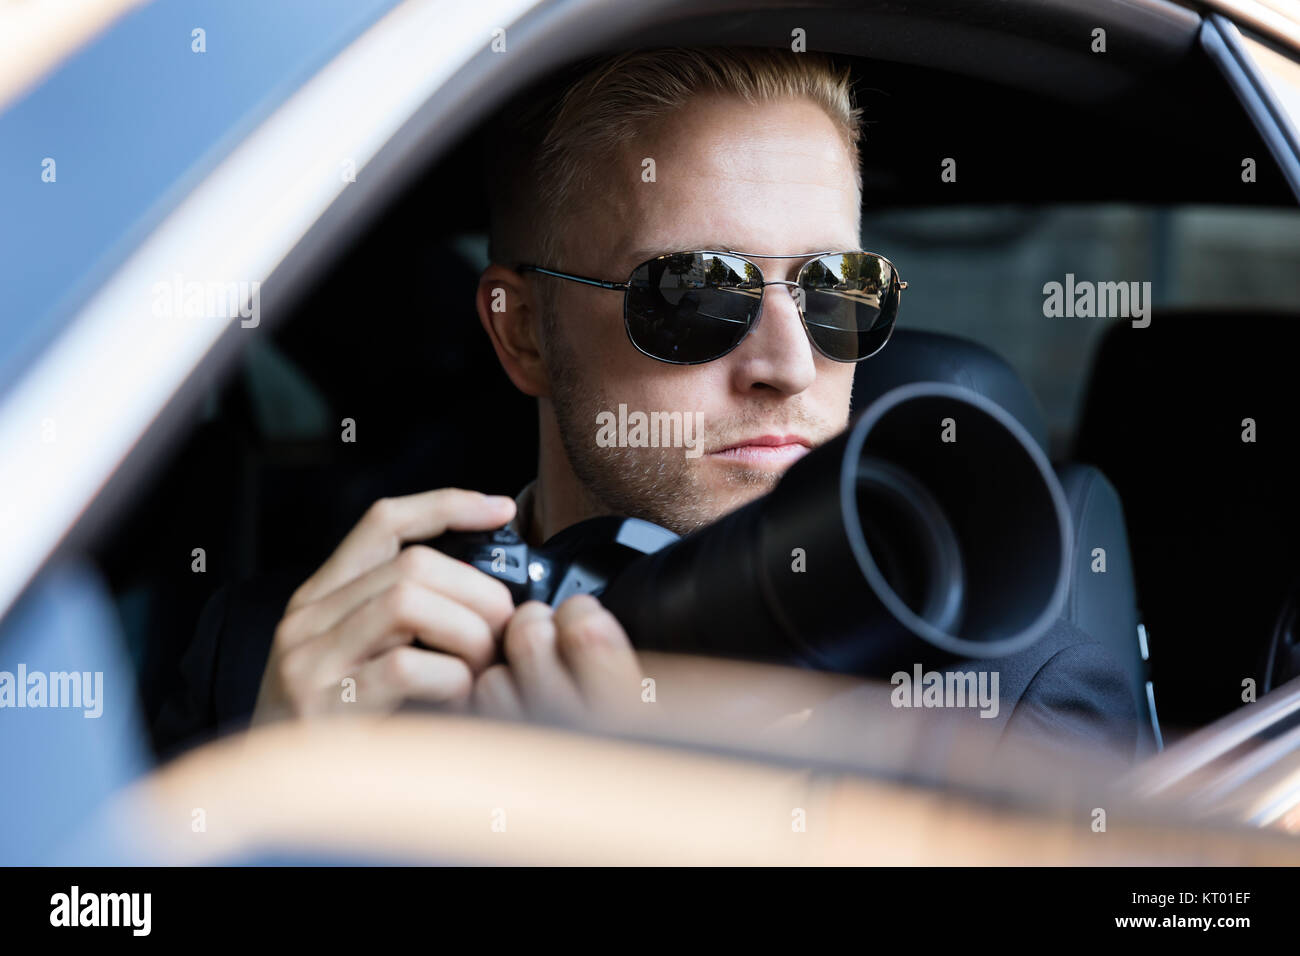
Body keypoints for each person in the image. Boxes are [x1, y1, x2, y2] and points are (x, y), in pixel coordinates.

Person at [155, 48, 1136, 758]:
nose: (788, 363)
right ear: (522, 330)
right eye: (695, 292)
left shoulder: (1003, 671)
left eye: (838, 289)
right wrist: (283, 807)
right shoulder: (281, 662)